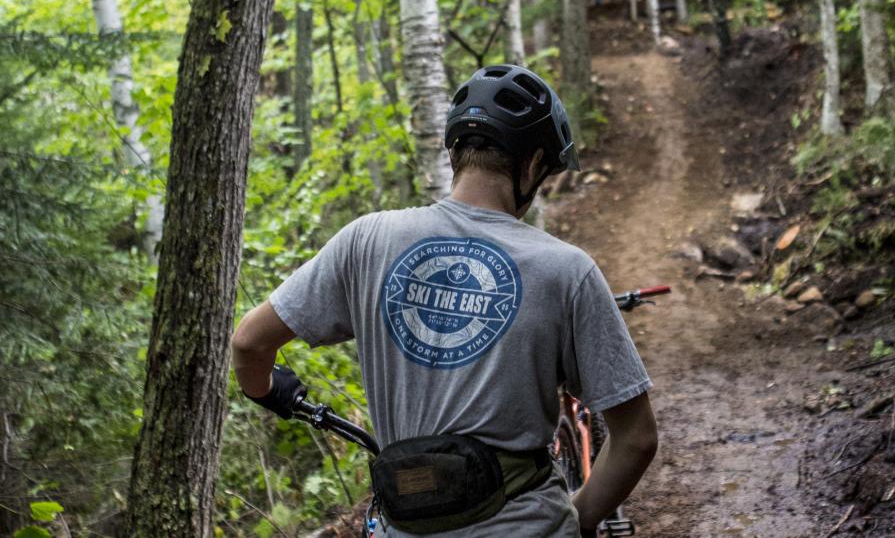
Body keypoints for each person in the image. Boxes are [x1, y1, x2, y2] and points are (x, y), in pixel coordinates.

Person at [231, 64, 658, 537]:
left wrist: (267, 391)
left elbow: (249, 342)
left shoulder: (366, 240)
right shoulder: (566, 269)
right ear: (534, 164)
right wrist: (577, 519)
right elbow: (636, 438)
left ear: (454, 151)